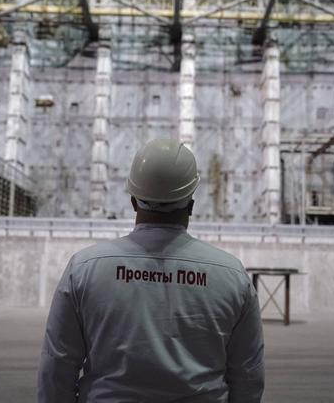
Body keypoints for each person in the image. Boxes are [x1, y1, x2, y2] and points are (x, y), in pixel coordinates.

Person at [38, 138, 264, 402]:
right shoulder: (231, 276)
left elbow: (57, 369)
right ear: (191, 204)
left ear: (134, 201)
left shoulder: (85, 269)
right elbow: (248, 377)